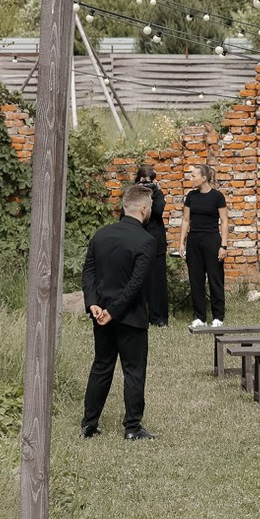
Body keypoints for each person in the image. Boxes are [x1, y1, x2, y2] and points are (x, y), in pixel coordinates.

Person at [81, 186, 159, 441]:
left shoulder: (101, 235)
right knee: (134, 370)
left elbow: (88, 273)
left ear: (125, 206)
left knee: (101, 366)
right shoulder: (146, 241)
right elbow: (136, 284)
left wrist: (94, 304)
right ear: (144, 209)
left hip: (101, 314)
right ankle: (132, 427)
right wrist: (113, 311)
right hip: (130, 316)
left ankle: (89, 424)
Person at [182, 165, 227, 331]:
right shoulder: (191, 196)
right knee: (196, 280)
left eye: (193, 176)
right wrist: (181, 242)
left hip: (212, 241)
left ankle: (218, 317)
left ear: (204, 178)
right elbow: (186, 221)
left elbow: (224, 222)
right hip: (194, 241)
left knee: (215, 279)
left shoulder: (217, 197)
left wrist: (224, 245)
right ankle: (200, 318)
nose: (191, 178)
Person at [133, 161, 172, 326]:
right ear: (138, 180)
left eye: (151, 180)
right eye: (145, 180)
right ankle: (139, 315)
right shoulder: (133, 194)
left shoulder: (158, 194)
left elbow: (157, 211)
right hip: (137, 240)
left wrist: (152, 194)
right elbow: (126, 214)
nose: (148, 183)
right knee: (138, 280)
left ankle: (159, 318)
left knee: (157, 282)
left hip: (156, 241)